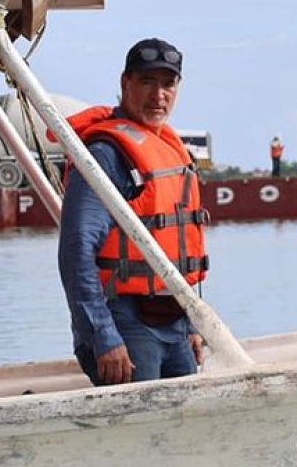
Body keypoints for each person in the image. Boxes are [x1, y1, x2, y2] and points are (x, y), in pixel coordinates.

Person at [57, 38, 209, 385]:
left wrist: (191, 323)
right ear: (125, 83)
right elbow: (76, 249)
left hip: (174, 325)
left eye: (167, 84)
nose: (158, 95)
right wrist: (103, 336)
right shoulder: (107, 155)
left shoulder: (168, 147)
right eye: (147, 82)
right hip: (127, 325)